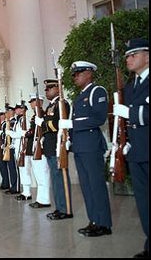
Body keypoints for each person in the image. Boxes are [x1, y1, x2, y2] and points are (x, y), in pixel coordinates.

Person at [59, 61, 112, 237]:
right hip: (80, 147)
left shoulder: (97, 92)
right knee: (86, 186)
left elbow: (99, 118)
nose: (75, 77)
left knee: (96, 185)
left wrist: (72, 124)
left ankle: (104, 223)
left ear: (89, 73)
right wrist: (69, 140)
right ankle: (94, 220)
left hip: (91, 146)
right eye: (74, 74)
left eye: (78, 73)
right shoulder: (79, 96)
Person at [113, 38, 149, 258]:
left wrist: (130, 114)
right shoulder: (130, 85)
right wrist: (123, 143)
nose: (128, 58)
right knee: (143, 201)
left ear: (147, 55)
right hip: (136, 151)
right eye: (127, 55)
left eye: (133, 54)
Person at [35, 80, 72, 219]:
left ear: (58, 88)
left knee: (60, 177)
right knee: (55, 179)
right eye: (46, 89)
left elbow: (58, 124)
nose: (47, 91)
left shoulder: (62, 104)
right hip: (50, 146)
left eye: (50, 88)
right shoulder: (51, 105)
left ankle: (65, 209)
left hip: (58, 144)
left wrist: (43, 122)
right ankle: (59, 207)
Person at [26, 95, 52, 209]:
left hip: (40, 148)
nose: (32, 104)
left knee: (42, 174)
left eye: (34, 101)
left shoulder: (42, 113)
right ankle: (40, 199)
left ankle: (45, 200)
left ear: (40, 102)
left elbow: (43, 129)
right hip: (35, 147)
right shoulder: (35, 115)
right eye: (31, 102)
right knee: (38, 175)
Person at [9, 101, 32, 201]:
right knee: (22, 170)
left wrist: (12, 134)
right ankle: (25, 191)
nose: (16, 110)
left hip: (23, 148)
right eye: (16, 109)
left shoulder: (25, 119)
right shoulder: (18, 120)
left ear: (23, 109)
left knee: (25, 170)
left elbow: (24, 133)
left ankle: (27, 192)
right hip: (18, 147)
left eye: (18, 108)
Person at [0, 108, 10, 190]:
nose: (0, 117)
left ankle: (6, 183)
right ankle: (4, 183)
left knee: (4, 167)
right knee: (1, 167)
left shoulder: (5, 124)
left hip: (3, 148)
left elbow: (6, 136)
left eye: (1, 115)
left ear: (4, 116)